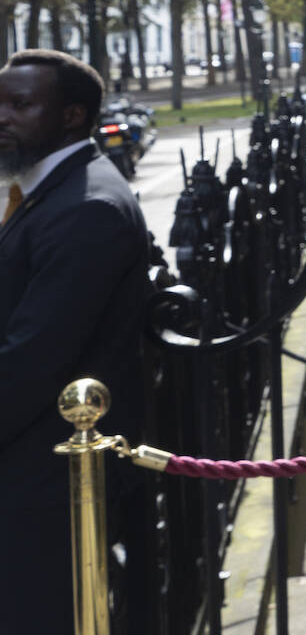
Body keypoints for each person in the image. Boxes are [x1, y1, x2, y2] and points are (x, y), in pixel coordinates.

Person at [0, 49, 153, 635]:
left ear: (70, 115)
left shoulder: (85, 208)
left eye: (20, 104)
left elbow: (33, 357)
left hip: (53, 474)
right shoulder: (52, 190)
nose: (3, 116)